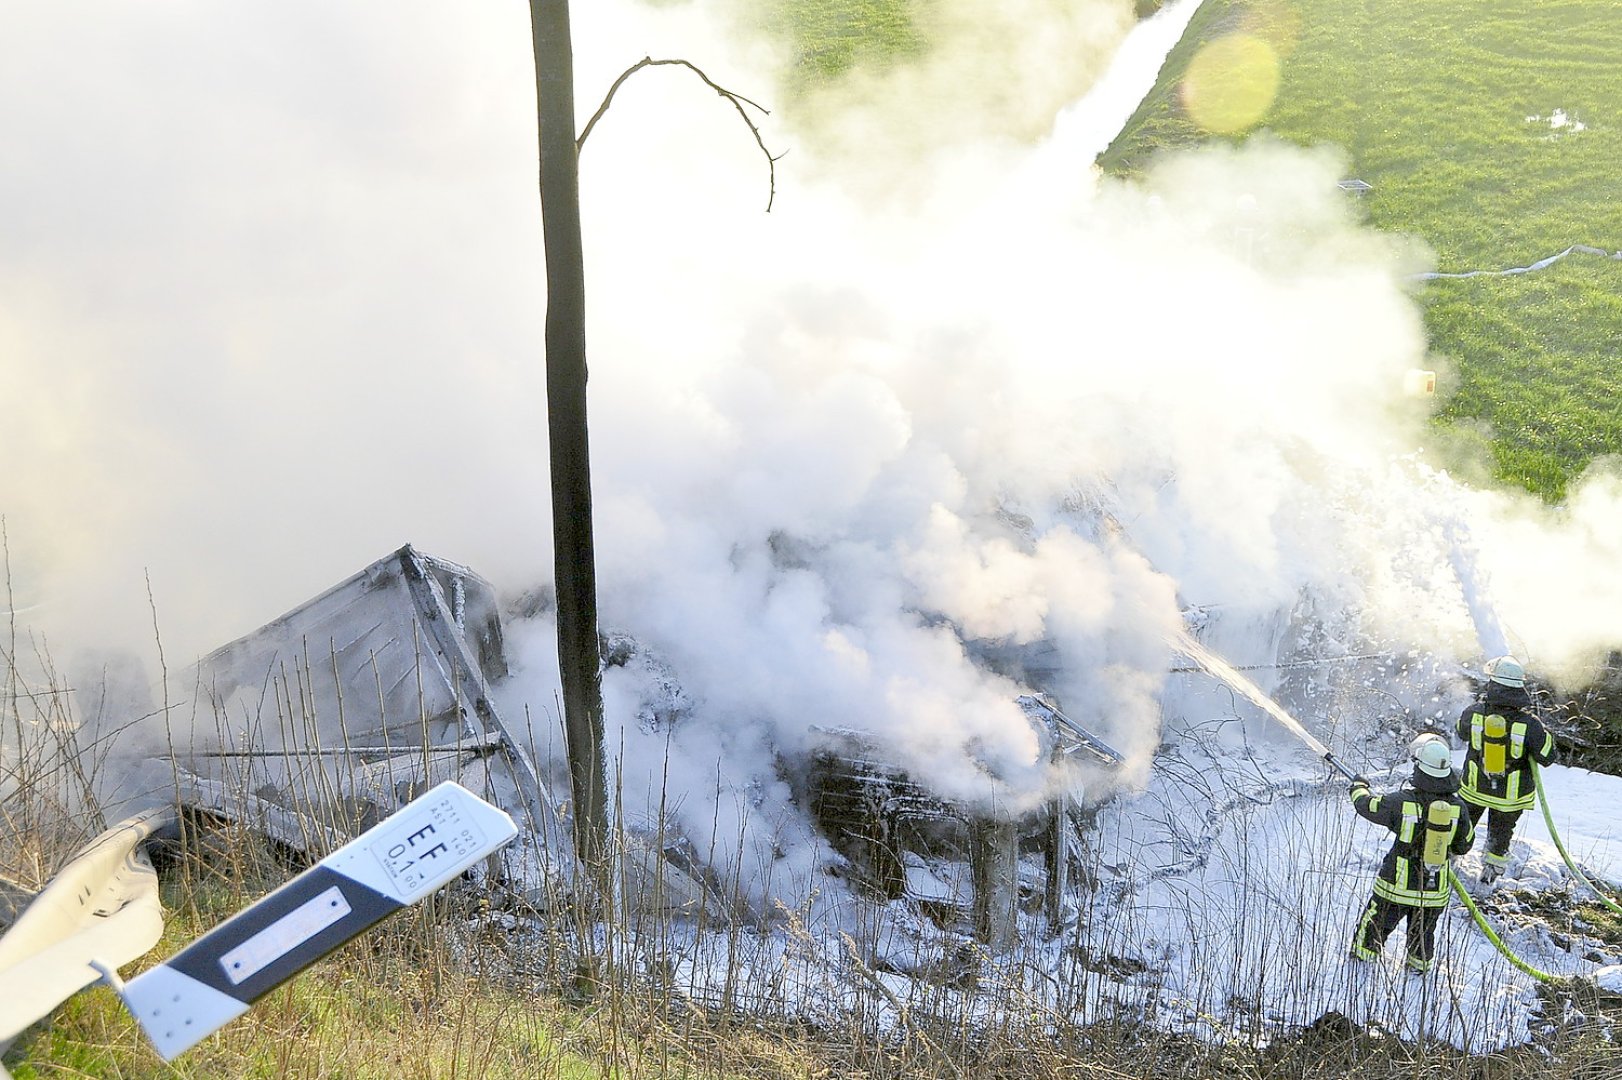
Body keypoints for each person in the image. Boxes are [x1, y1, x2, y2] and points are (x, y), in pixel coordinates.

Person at [1348, 733, 1475, 974]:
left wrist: (1358, 788)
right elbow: (1464, 845)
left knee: (1374, 927)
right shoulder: (1459, 808)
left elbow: (1368, 806)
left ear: (1420, 768)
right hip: (1433, 890)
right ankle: (1418, 975)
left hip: (1395, 885)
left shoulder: (1401, 802)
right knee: (1423, 935)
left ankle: (1359, 970)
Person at [1455, 655, 1556, 884]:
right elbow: (1548, 756)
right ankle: (1488, 879)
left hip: (1474, 788)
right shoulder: (1530, 724)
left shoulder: (1473, 712)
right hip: (1510, 797)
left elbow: (1460, 732)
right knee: (1500, 836)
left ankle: (1447, 862)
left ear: (1493, 685)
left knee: (1462, 826)